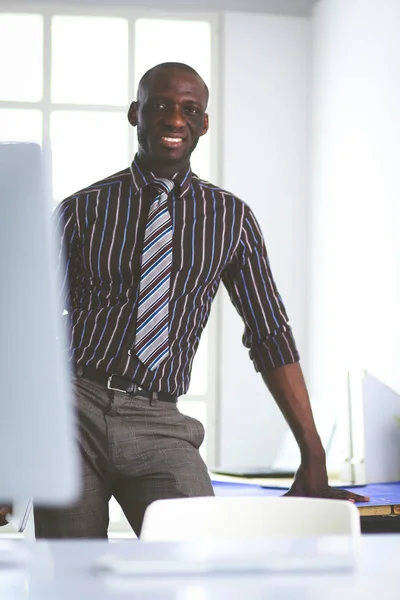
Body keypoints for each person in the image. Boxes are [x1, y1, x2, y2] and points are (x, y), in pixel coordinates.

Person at [0, 62, 368, 536]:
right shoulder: (80, 210)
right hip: (73, 412)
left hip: (160, 420)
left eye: (189, 109)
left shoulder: (231, 219)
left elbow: (270, 334)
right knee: (70, 577)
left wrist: (312, 453)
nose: (175, 120)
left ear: (204, 123)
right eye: (160, 106)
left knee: (199, 561)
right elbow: (25, 331)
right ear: (136, 113)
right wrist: (10, 460)